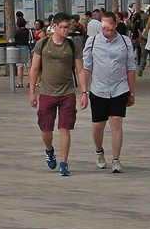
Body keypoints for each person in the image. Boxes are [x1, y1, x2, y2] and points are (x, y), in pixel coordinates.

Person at [28, 15, 84, 176]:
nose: (66, 30)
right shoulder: (43, 44)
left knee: (64, 128)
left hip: (67, 93)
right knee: (46, 129)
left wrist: (84, 92)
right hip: (47, 92)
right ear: (55, 26)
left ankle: (64, 163)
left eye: (68, 27)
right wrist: (32, 92)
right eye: (63, 27)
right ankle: (49, 149)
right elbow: (34, 68)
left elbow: (80, 70)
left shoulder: (72, 46)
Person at [80, 12, 136, 173]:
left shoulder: (125, 42)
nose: (108, 32)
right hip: (99, 89)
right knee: (98, 125)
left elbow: (130, 68)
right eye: (104, 29)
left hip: (119, 88)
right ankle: (99, 151)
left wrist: (132, 93)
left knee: (116, 123)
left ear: (116, 24)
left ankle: (116, 159)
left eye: (110, 29)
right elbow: (87, 68)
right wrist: (84, 91)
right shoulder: (92, 42)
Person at [12, 14, 32, 88]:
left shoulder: (16, 32)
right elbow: (30, 39)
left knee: (20, 67)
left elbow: (15, 40)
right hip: (26, 48)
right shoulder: (28, 31)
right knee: (29, 67)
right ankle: (30, 82)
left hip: (19, 49)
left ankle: (20, 83)